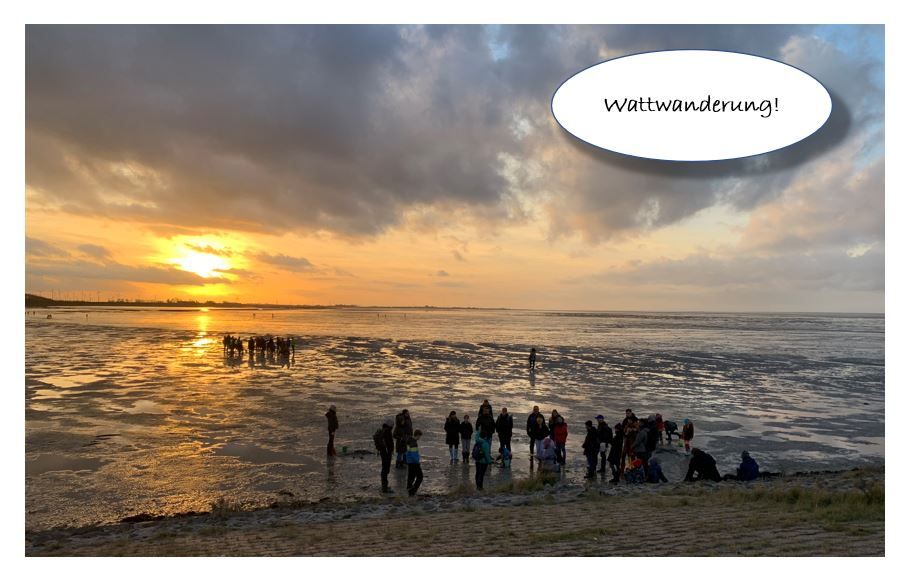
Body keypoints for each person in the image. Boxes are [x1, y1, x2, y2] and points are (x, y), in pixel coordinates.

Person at [375, 421, 395, 492]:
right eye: (392, 425)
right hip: (386, 453)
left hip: (384, 452)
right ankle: (385, 488)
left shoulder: (383, 431)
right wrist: (391, 450)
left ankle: (384, 486)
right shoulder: (387, 432)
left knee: (385, 469)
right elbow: (389, 443)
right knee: (385, 469)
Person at [405, 429, 424, 495]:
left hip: (409, 461)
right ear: (417, 435)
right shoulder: (413, 443)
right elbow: (413, 454)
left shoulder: (409, 441)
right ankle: (413, 490)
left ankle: (409, 488)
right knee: (420, 476)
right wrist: (417, 461)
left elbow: (408, 453)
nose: (419, 438)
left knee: (411, 476)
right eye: (419, 436)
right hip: (414, 462)